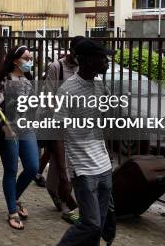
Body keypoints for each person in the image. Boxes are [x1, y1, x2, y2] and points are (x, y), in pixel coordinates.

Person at [56, 38, 114, 246]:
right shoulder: (68, 90)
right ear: (87, 60)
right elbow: (58, 132)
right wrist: (64, 175)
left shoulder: (100, 86)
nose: (107, 62)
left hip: (104, 166)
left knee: (97, 227)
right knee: (91, 224)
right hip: (82, 167)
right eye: (102, 58)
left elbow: (103, 122)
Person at [0, 45, 39, 230]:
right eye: (26, 58)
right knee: (11, 170)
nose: (29, 62)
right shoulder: (4, 81)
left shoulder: (28, 80)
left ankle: (14, 197)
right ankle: (12, 210)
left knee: (32, 167)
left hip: (27, 130)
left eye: (30, 59)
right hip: (9, 132)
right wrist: (4, 127)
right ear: (14, 60)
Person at [39, 35, 85, 224]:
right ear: (71, 51)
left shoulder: (81, 68)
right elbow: (49, 96)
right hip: (55, 119)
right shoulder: (56, 68)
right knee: (60, 159)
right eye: (78, 55)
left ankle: (58, 193)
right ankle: (65, 201)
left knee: (61, 158)